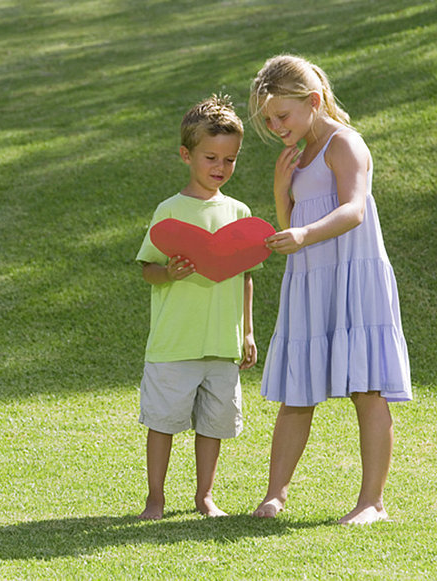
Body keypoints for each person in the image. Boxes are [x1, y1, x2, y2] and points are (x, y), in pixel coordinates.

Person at [248, 54, 412, 525]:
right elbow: (289, 230)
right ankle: (275, 495)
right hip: (311, 277)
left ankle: (371, 503)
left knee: (367, 387)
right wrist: (282, 191)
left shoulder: (346, 144)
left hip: (352, 277)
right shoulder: (296, 155)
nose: (276, 126)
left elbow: (354, 210)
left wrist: (302, 234)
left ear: (314, 101)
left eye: (282, 115)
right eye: (269, 119)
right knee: (297, 391)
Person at [136, 94, 259, 520]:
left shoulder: (240, 212)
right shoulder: (169, 211)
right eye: (211, 157)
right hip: (175, 342)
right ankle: (156, 498)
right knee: (164, 423)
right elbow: (148, 269)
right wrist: (170, 272)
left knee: (214, 425)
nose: (220, 167)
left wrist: (246, 331)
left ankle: (204, 496)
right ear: (187, 155)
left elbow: (245, 275)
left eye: (230, 159)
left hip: (221, 344)